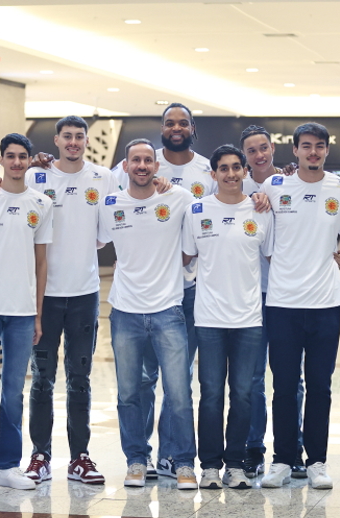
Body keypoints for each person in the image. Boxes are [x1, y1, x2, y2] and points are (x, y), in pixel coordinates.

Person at [113, 103, 213, 478]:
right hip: (129, 304)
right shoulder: (128, 178)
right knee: (139, 383)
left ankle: (176, 457)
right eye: (169, 122)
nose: (175, 128)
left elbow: (222, 208)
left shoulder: (202, 173)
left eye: (182, 122)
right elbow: (100, 198)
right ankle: (139, 458)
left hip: (181, 292)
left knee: (179, 382)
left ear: (191, 127)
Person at [260, 123, 340, 489]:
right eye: (306, 147)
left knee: (320, 386)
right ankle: (283, 459)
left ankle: (316, 461)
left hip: (326, 303)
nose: (312, 152)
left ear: (327, 151)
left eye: (319, 147)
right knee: (284, 385)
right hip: (283, 303)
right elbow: (266, 245)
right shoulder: (275, 186)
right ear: (295, 151)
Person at [98, 138, 198, 490]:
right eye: (135, 160)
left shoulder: (179, 199)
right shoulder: (109, 205)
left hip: (169, 310)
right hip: (124, 312)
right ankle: (136, 461)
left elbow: (208, 222)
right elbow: (91, 239)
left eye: (148, 161)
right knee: (130, 392)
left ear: (157, 167)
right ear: (124, 166)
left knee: (179, 391)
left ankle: (184, 462)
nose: (142, 166)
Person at [23, 116, 114, 485]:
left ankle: (80, 458)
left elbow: (102, 236)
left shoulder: (102, 178)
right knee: (42, 380)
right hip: (43, 295)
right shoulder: (36, 177)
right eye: (68, 137)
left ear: (86, 141)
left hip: (84, 295)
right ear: (57, 141)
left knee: (80, 379)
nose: (74, 142)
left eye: (80, 137)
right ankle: (40, 456)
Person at [182, 144, 273, 490]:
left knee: (244, 393)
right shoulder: (197, 210)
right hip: (209, 318)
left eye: (237, 167)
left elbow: (273, 255)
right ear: (214, 174)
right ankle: (208, 466)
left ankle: (235, 464)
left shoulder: (260, 210)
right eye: (225, 168)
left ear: (245, 171)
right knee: (210, 393)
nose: (232, 174)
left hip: (249, 318)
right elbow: (186, 256)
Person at [0, 133, 53, 493]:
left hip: (21, 312)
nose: (16, 162)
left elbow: (41, 261)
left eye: (22, 157)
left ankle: (7, 465)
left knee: (14, 391)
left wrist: (36, 314)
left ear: (30, 160)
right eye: (10, 156)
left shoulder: (41, 203)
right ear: (0, 160)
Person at [238, 125, 306, 479]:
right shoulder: (235, 187)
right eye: (252, 151)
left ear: (274, 148)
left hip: (286, 295)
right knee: (251, 380)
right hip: (250, 296)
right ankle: (253, 448)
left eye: (263, 148)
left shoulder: (292, 181)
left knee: (290, 379)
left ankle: (292, 448)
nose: (259, 155)